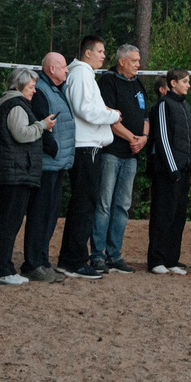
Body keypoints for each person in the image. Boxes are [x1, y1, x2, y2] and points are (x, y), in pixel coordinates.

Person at [56, 35, 116, 278]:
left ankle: (72, 258)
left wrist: (106, 112)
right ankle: (74, 260)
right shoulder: (81, 73)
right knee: (84, 204)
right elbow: (84, 109)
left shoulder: (84, 74)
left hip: (88, 146)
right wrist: (112, 115)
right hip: (85, 147)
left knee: (84, 203)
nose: (104, 56)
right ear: (87, 52)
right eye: (100, 51)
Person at [0, 67, 50, 288]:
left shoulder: (14, 104)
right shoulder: (15, 105)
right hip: (15, 173)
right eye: (31, 87)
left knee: (10, 222)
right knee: (9, 223)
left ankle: (4, 268)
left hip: (16, 171)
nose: (34, 91)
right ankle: (1, 270)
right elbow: (22, 134)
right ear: (19, 86)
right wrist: (42, 125)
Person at [95, 43, 152, 272]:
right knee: (104, 204)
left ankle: (114, 254)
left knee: (122, 205)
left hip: (132, 155)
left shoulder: (137, 84)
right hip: (112, 152)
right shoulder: (108, 82)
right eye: (134, 61)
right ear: (121, 61)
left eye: (138, 60)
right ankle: (97, 254)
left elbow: (145, 116)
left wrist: (144, 138)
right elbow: (108, 116)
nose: (138, 64)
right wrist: (132, 138)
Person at [28, 52, 76, 281]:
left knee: (50, 216)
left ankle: (43, 261)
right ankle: (33, 263)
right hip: (48, 164)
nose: (67, 70)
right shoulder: (41, 91)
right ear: (52, 69)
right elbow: (39, 123)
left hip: (58, 163)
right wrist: (54, 148)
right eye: (64, 66)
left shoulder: (57, 89)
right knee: (40, 215)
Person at [145, 68, 191, 274]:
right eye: (185, 81)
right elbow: (163, 138)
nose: (188, 85)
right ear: (173, 83)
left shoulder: (185, 106)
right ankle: (156, 259)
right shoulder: (163, 105)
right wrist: (172, 168)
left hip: (183, 170)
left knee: (178, 216)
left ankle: (171, 259)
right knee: (163, 214)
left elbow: (189, 141)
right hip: (167, 172)